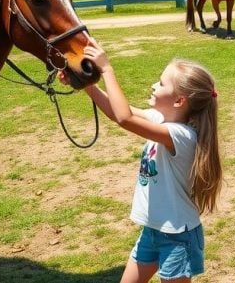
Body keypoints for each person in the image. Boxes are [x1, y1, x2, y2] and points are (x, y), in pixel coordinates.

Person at [78, 43, 222, 283]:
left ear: (179, 101)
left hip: (178, 236)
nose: (154, 85)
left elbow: (125, 118)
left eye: (162, 83)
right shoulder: (160, 120)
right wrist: (86, 85)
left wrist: (107, 69)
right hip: (153, 230)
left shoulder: (181, 135)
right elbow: (117, 112)